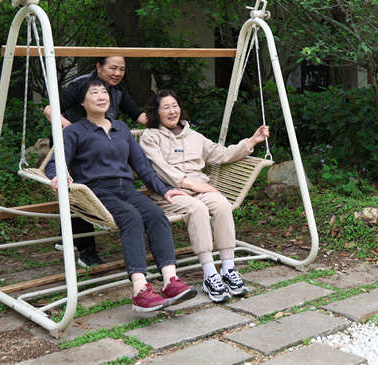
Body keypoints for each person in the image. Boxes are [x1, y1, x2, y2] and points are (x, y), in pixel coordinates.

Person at [44, 77, 196, 312]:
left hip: (126, 189)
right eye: (94, 93)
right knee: (131, 217)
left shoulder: (121, 128)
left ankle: (170, 281)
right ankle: (140, 289)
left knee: (156, 215)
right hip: (96, 192)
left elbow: (142, 166)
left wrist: (164, 190)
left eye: (104, 92)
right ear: (82, 102)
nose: (101, 97)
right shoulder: (74, 131)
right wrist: (58, 176)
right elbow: (54, 163)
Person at [139, 89, 270, 303]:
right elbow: (160, 169)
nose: (172, 111)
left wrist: (252, 141)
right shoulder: (150, 137)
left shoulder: (194, 136)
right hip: (170, 193)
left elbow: (222, 154)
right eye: (166, 107)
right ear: (156, 112)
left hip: (200, 189)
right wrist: (192, 185)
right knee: (197, 209)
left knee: (222, 205)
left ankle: (228, 268)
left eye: (175, 106)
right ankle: (209, 273)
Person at [43, 56, 147, 267]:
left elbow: (138, 115)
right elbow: (49, 109)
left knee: (94, 189)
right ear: (99, 67)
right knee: (79, 191)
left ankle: (67, 233)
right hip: (73, 143)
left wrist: (167, 120)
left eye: (121, 69)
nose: (117, 73)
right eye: (113, 68)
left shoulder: (116, 91)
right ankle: (86, 250)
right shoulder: (81, 85)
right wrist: (72, 129)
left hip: (99, 142)